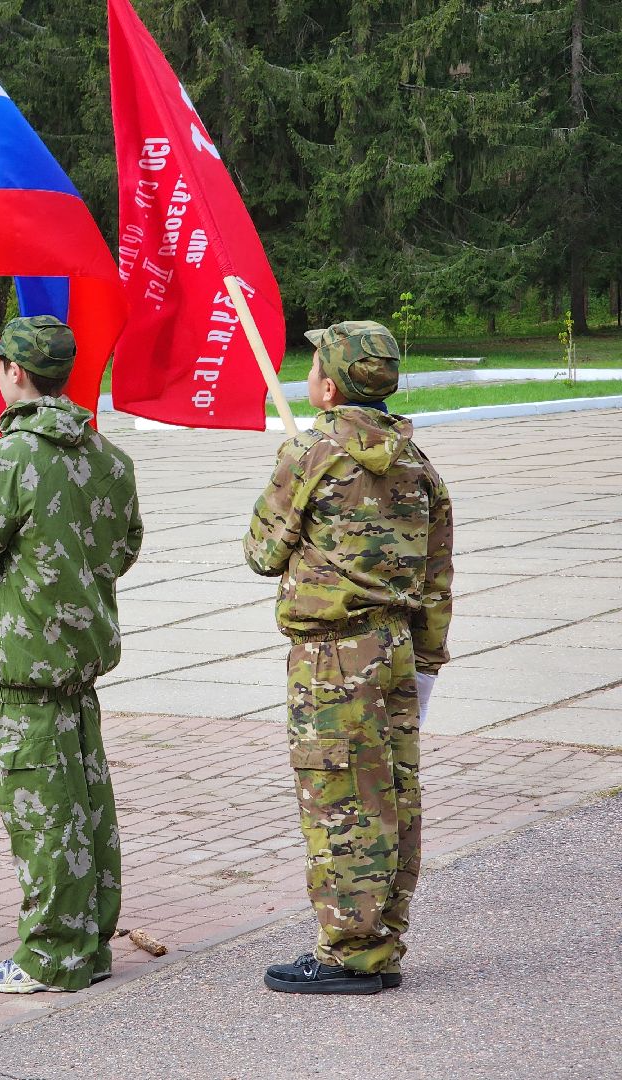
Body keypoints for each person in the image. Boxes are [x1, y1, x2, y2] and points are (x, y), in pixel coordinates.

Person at [244, 320, 453, 996]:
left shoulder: (309, 453)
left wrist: (288, 477)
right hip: (397, 648)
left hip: (333, 656)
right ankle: (381, 939)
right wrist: (426, 663)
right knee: (393, 796)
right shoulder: (419, 465)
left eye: (311, 367)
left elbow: (261, 552)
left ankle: (348, 952)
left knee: (341, 797)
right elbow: (437, 577)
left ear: (328, 387)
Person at [0, 316, 143, 994]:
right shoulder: (107, 456)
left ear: (15, 374)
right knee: (85, 802)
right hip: (82, 658)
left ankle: (51, 953)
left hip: (29, 660)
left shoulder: (10, 458)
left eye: (1, 366)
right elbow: (126, 546)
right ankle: (88, 940)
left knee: (43, 809)